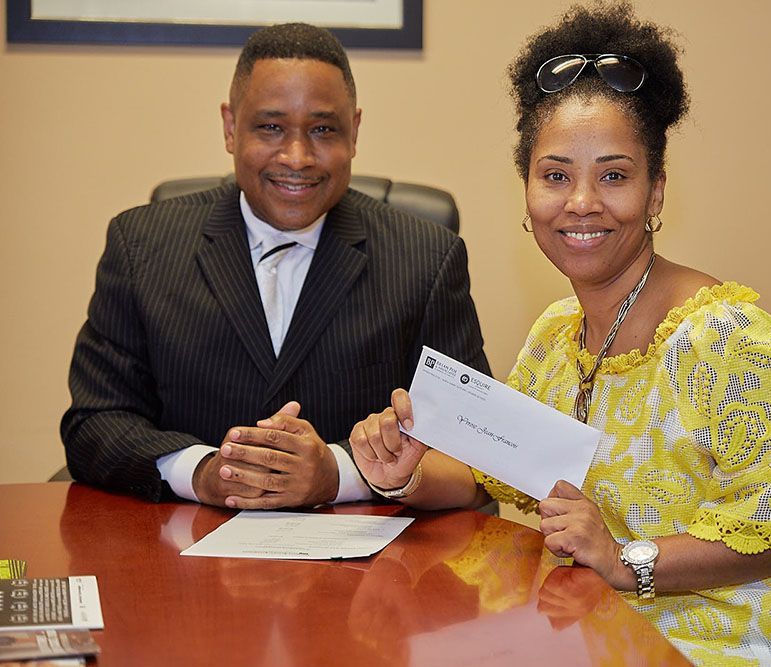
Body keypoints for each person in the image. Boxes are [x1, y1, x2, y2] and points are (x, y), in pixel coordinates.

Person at [349, 3, 771, 664]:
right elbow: (493, 473)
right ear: (527, 190)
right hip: (602, 620)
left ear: (655, 194)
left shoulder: (730, 336)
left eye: (614, 176)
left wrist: (625, 558)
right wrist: (402, 475)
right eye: (555, 175)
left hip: (745, 633)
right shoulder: (556, 332)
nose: (582, 202)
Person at [61, 23, 489, 510]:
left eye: (324, 129)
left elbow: (472, 449)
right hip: (182, 551)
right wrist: (202, 472)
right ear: (229, 127)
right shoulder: (140, 246)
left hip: (363, 571)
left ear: (355, 131)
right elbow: (94, 422)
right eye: (270, 127)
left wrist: (338, 472)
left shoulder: (427, 258)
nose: (298, 157)